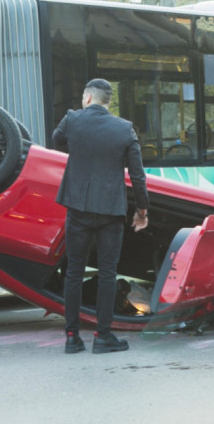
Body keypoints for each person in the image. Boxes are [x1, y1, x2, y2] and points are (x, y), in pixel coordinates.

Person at [53, 78, 150, 354]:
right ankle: (103, 336)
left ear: (87, 98)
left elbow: (56, 140)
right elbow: (138, 175)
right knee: (107, 273)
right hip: (110, 210)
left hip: (78, 208)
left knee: (74, 271)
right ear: (109, 102)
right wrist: (142, 211)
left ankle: (72, 338)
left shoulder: (72, 120)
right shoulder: (124, 129)